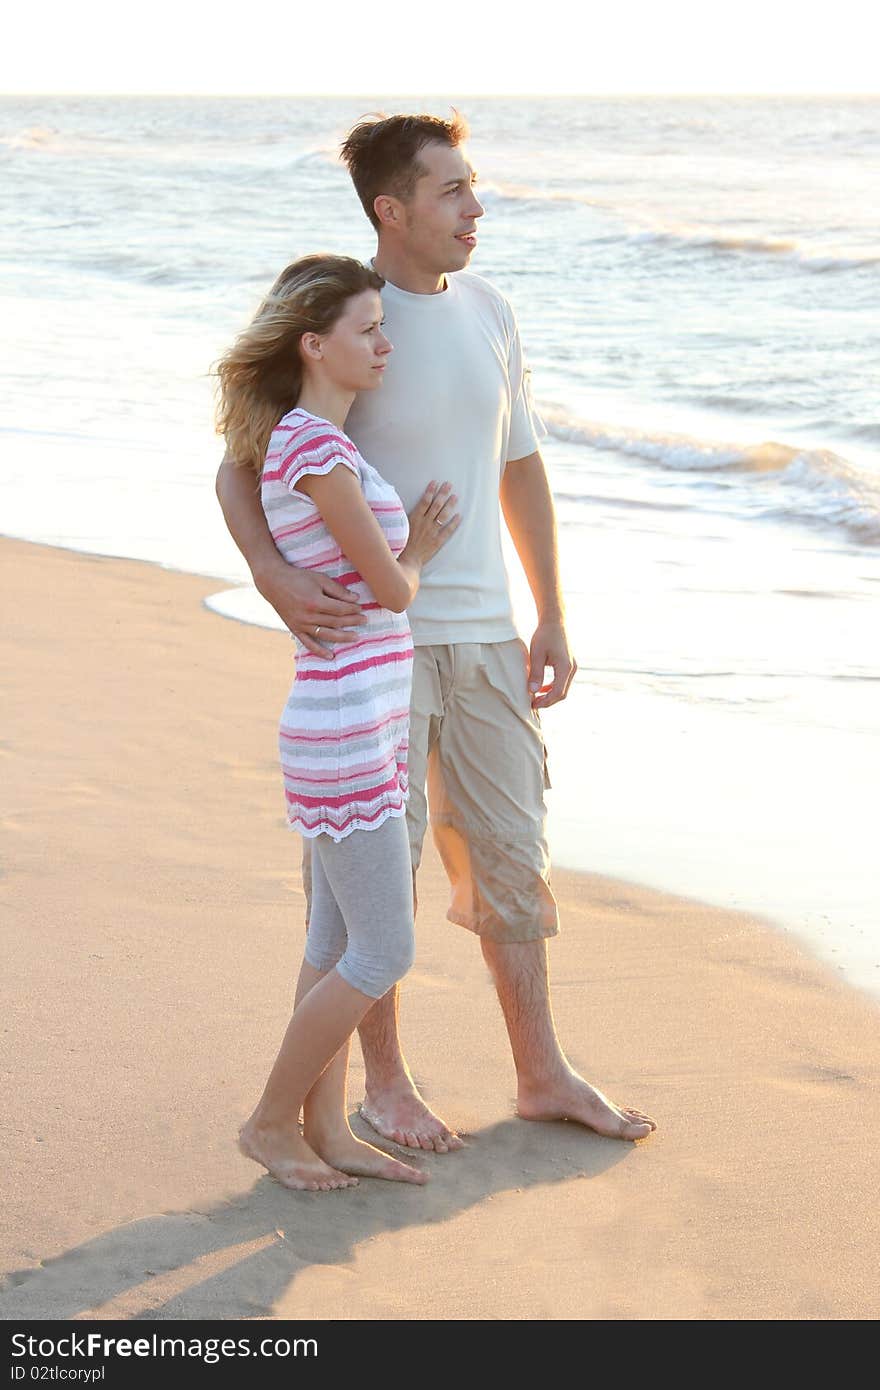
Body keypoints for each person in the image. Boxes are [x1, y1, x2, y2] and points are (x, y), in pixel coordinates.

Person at [217, 114, 656, 1147]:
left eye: (473, 185)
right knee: (385, 876)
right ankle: (386, 1085)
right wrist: (271, 571)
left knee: (510, 852)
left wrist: (550, 610)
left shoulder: (492, 310)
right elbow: (243, 462)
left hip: (488, 637)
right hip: (373, 650)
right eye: (452, 189)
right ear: (392, 209)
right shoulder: (345, 322)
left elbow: (519, 464)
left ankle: (542, 1073)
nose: (475, 207)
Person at [215, 253, 461, 1190]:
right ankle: (271, 1121)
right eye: (367, 329)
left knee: (330, 943)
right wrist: (424, 550)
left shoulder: (312, 446)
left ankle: (324, 1130)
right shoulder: (315, 452)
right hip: (346, 727)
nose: (384, 342)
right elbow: (392, 591)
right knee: (384, 946)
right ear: (315, 346)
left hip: (352, 717)